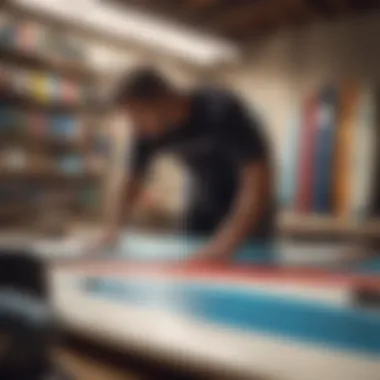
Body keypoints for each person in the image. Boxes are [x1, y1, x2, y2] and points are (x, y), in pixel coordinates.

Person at [98, 67, 274, 261]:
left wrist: (227, 243)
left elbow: (257, 178)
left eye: (137, 117)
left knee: (246, 263)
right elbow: (131, 181)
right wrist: (112, 230)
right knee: (192, 260)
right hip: (203, 195)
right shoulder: (145, 133)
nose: (136, 127)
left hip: (247, 200)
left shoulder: (220, 110)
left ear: (160, 102)